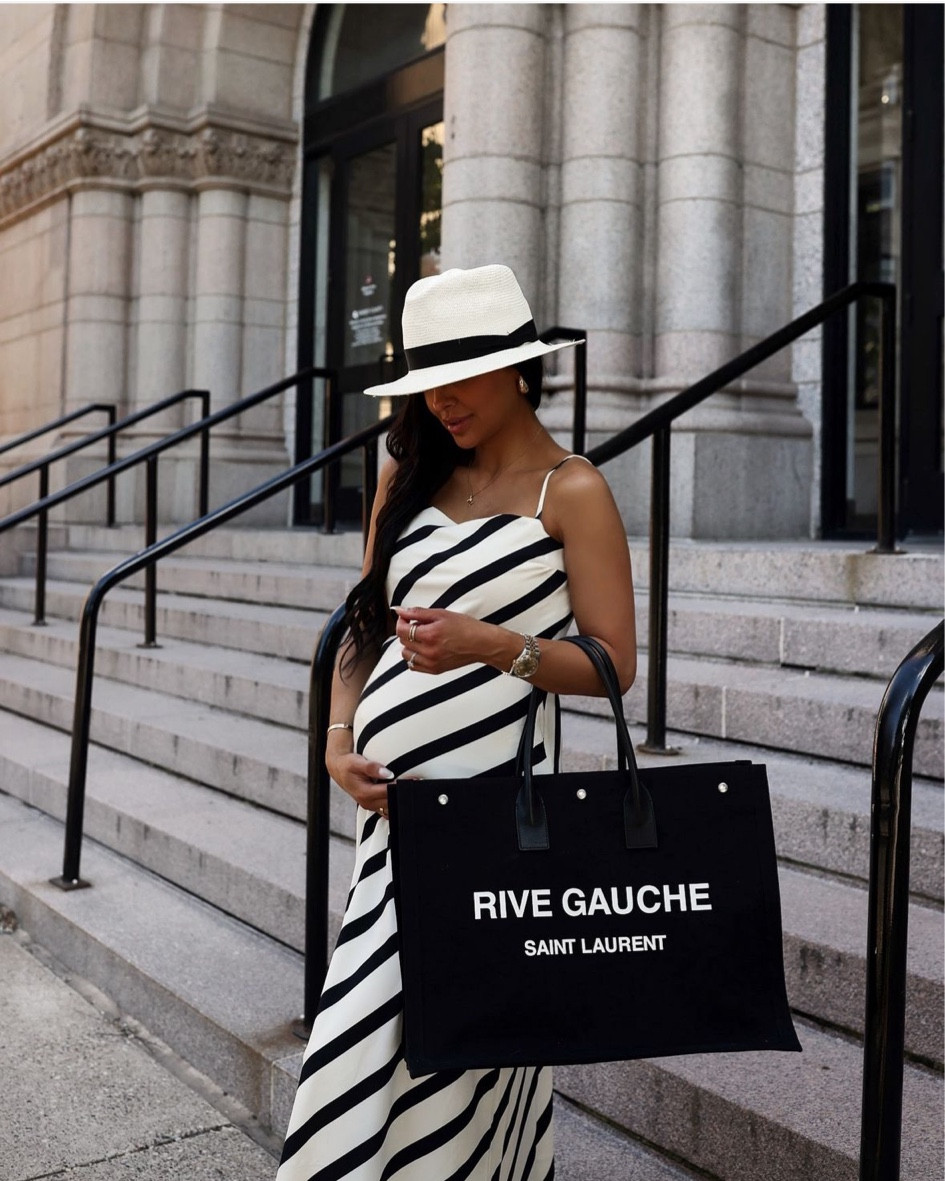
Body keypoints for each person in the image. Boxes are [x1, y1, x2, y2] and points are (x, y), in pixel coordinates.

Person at [277, 264, 636, 1181]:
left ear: (520, 369)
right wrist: (336, 741)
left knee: (462, 1033)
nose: (441, 402)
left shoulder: (573, 490)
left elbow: (611, 665)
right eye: (426, 383)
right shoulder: (405, 471)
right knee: (377, 1023)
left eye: (461, 378)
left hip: (492, 806)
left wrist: (488, 643)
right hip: (393, 811)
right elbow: (364, 624)